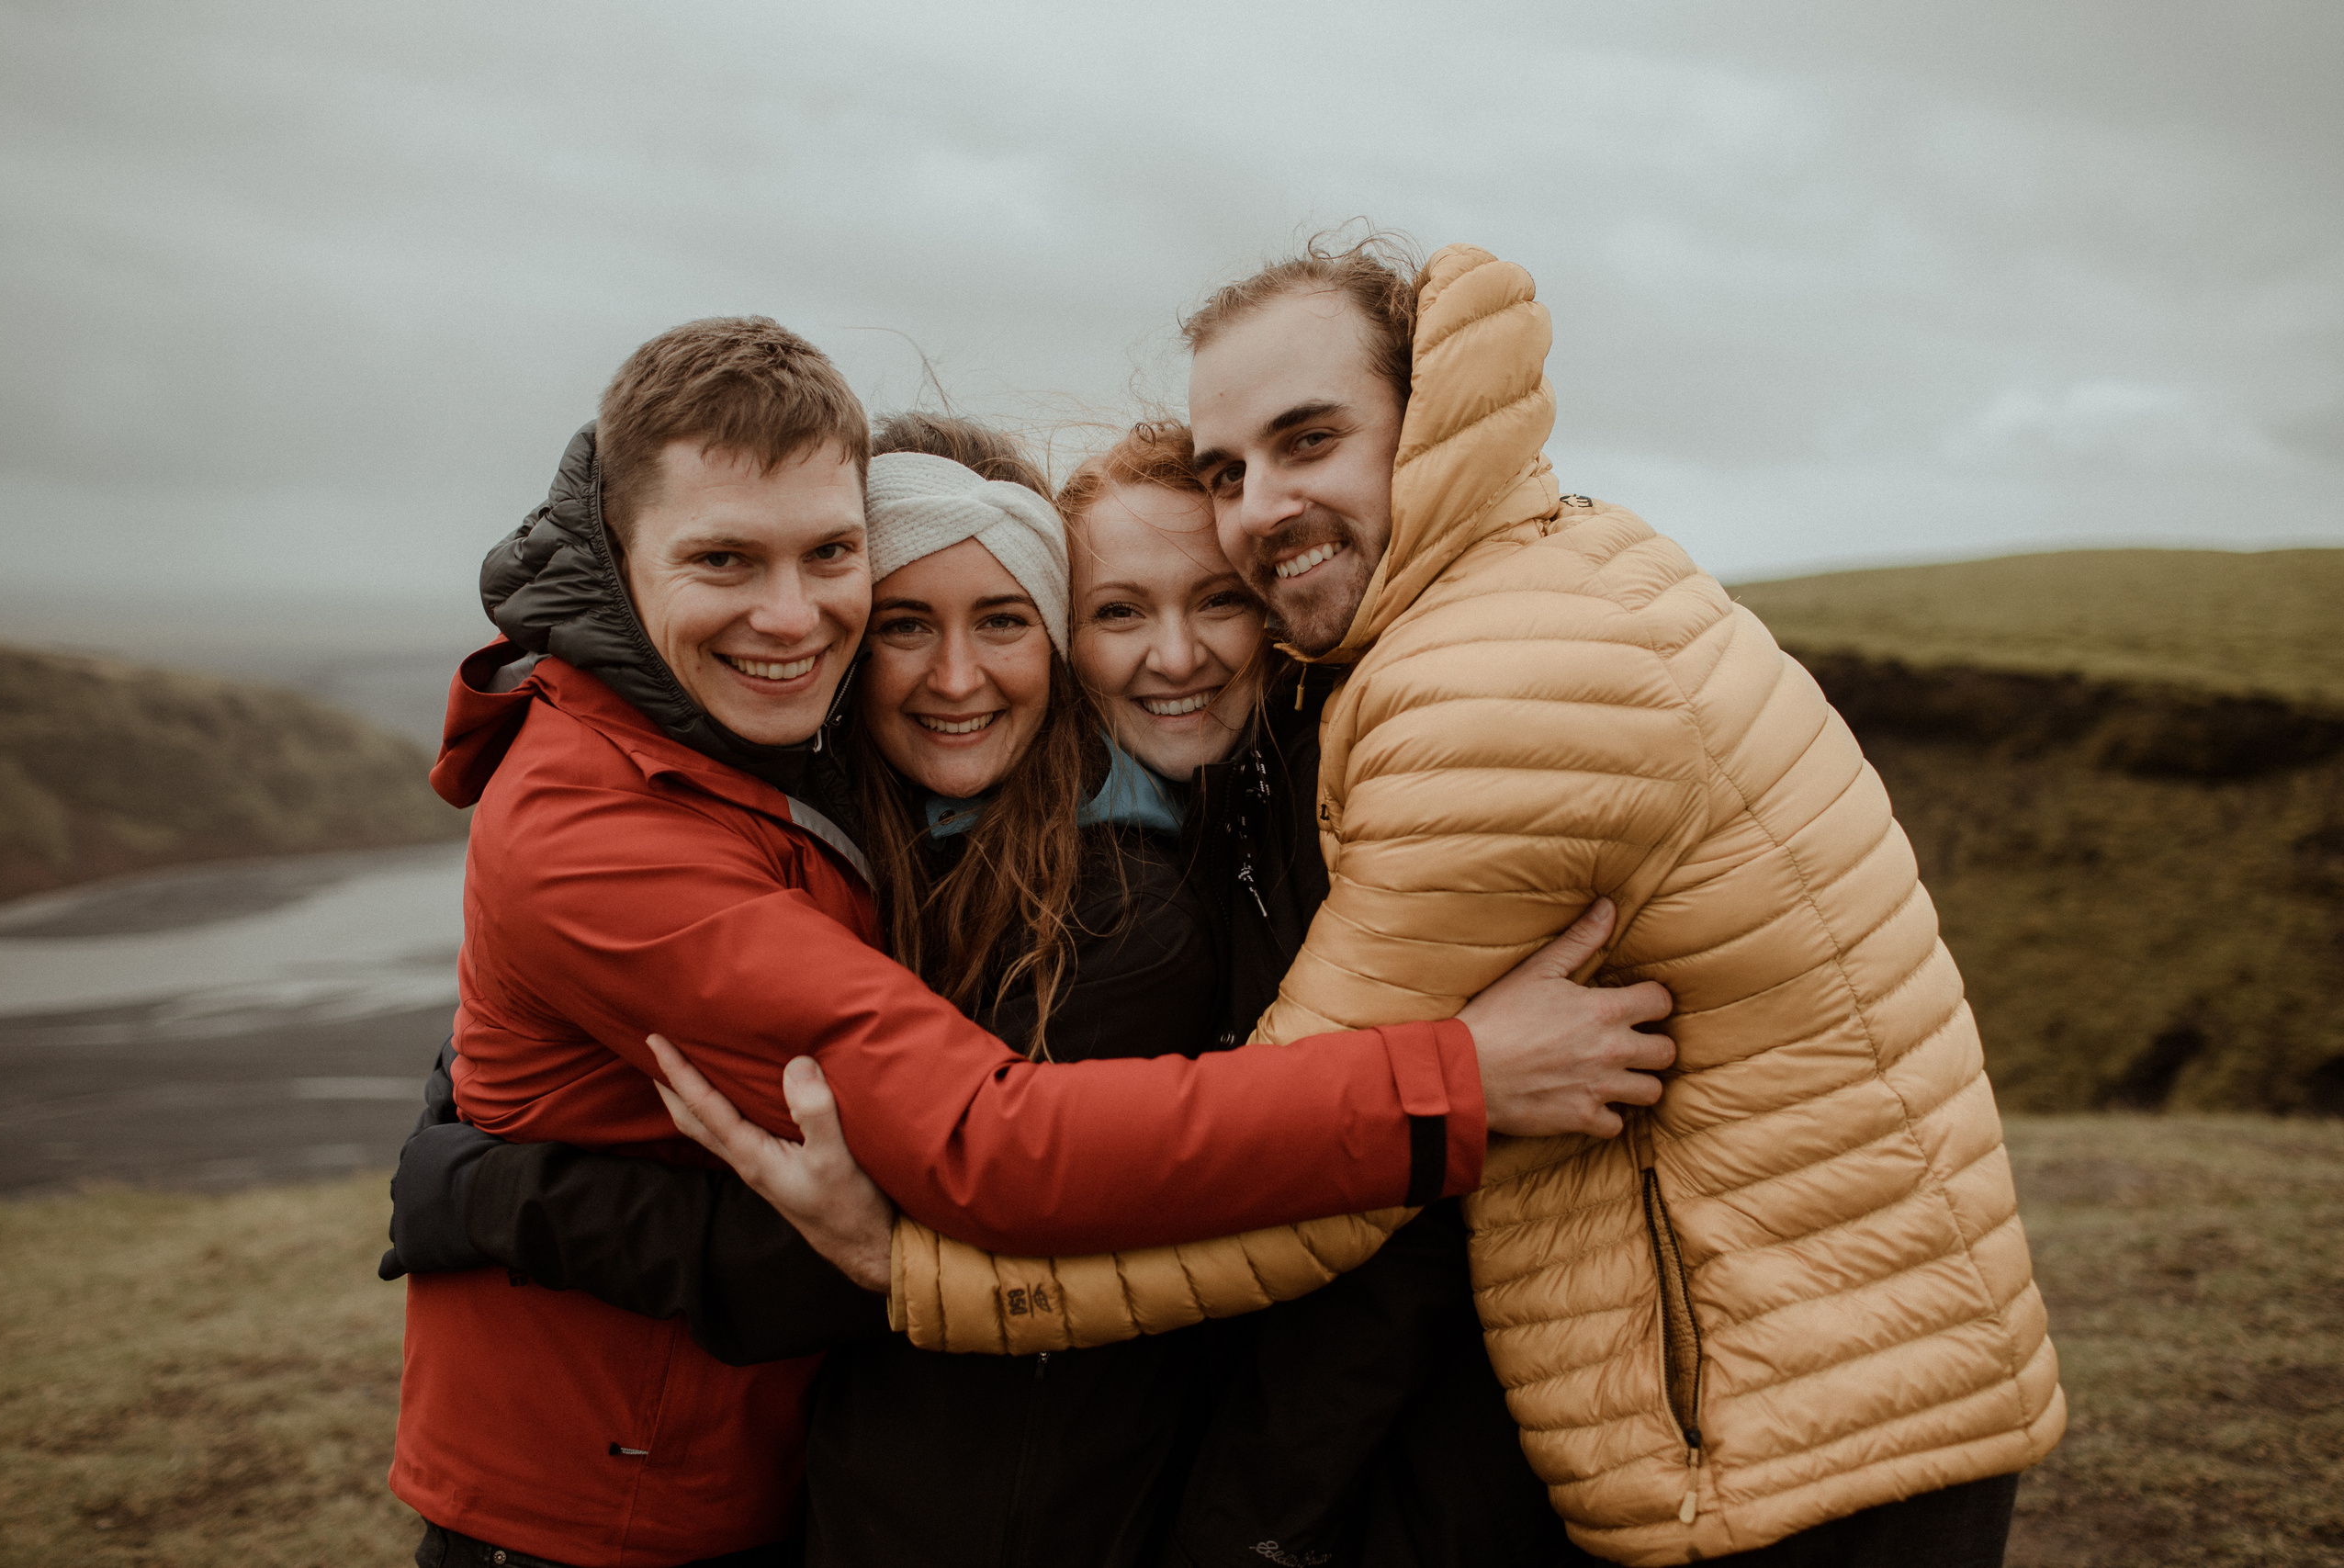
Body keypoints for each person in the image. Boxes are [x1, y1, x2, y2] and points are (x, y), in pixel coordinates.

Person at [387, 316, 1673, 1568]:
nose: (790, 615)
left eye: (829, 558)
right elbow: (943, 1146)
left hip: (794, 1475)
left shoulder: (1060, 874)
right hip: (603, 1495)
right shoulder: (671, 794)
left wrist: (499, 1202)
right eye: (726, 561)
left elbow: (967, 1165)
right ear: (623, 554)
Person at [875, 236, 2066, 1566]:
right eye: (1228, 470)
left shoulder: (1489, 685)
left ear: (1425, 416)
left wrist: (909, 1275)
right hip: (1807, 1375)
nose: (1261, 507)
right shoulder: (1534, 575)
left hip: (1808, 1434)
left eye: (1310, 439)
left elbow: (1303, 1172)